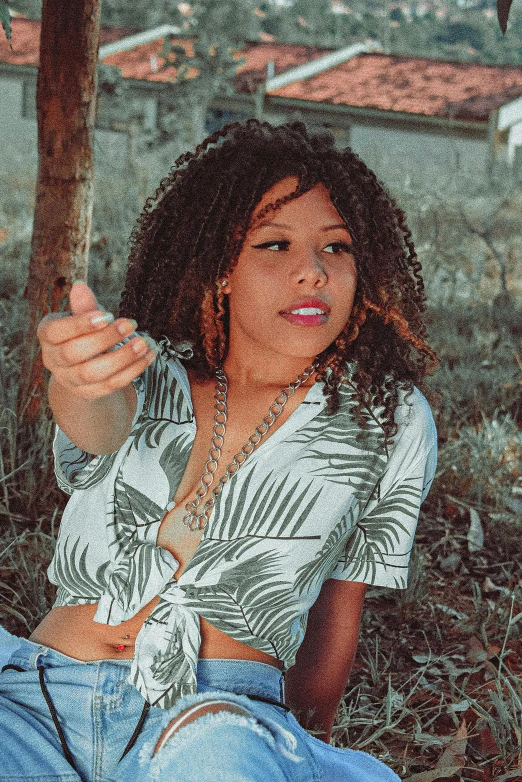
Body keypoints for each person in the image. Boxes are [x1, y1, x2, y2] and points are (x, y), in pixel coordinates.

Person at [0, 120, 438, 782]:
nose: (313, 271)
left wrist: (294, 751)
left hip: (219, 721)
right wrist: (75, 375)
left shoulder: (389, 418)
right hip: (40, 701)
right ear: (220, 268)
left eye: (338, 248)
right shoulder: (147, 366)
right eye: (275, 244)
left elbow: (335, 617)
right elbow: (97, 420)